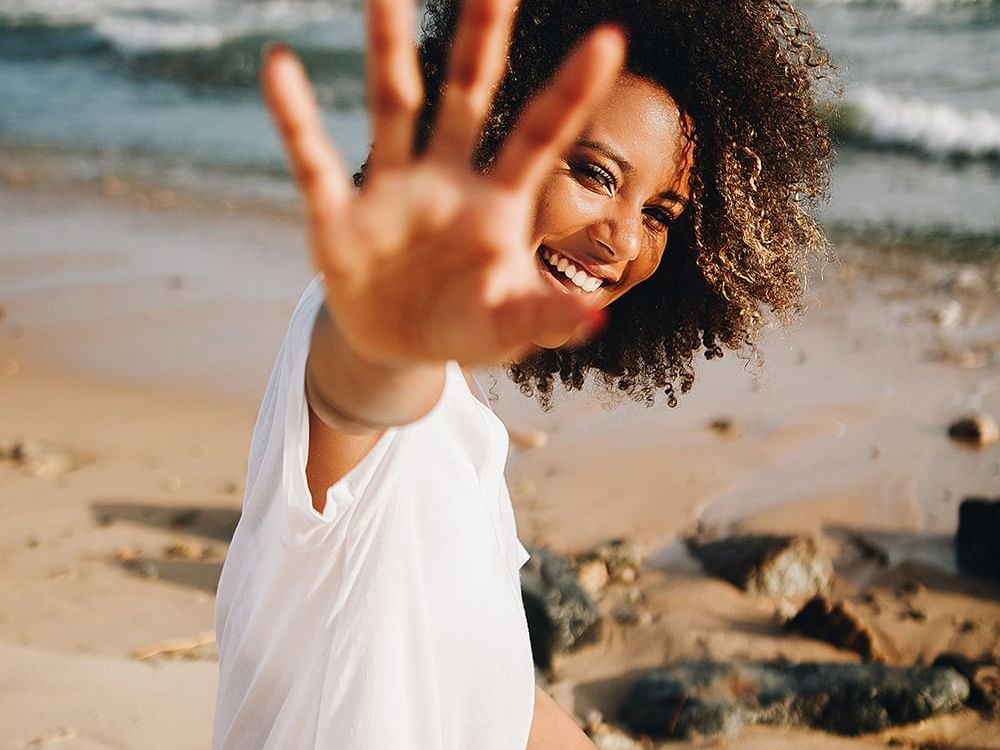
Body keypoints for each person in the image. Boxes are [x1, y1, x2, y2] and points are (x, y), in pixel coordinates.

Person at [212, 0, 832, 747]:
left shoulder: (462, 425)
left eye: (662, 213)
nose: (626, 238)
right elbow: (353, 390)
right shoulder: (368, 349)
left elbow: (491, 686)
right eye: (596, 175)